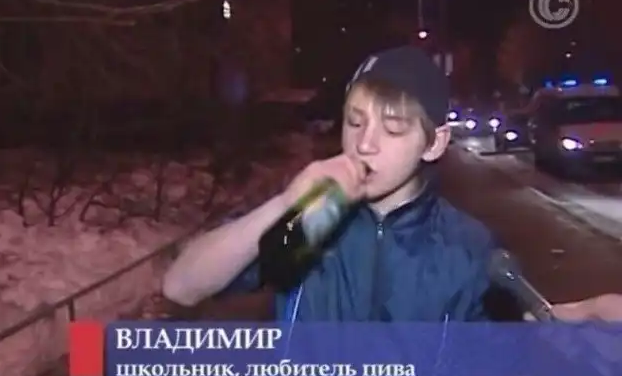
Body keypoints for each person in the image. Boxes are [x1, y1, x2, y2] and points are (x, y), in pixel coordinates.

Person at [163, 46, 512, 322]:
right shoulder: (313, 222)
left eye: (393, 128)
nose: (365, 144)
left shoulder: (469, 247)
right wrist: (287, 205)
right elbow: (181, 286)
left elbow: (501, 368)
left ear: (434, 144)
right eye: (354, 122)